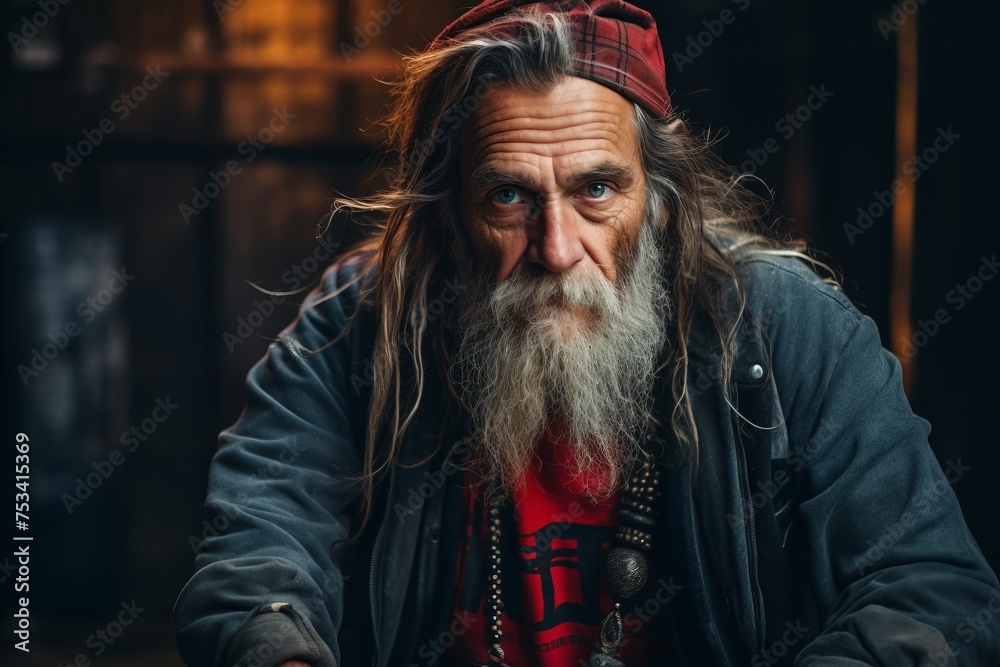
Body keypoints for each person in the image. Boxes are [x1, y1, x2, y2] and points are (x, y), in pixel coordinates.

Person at [174, 1, 1000, 665]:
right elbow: (258, 539)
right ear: (448, 215)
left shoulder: (790, 329)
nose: (558, 248)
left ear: (663, 198)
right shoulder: (363, 319)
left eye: (597, 189)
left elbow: (930, 589)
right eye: (507, 197)